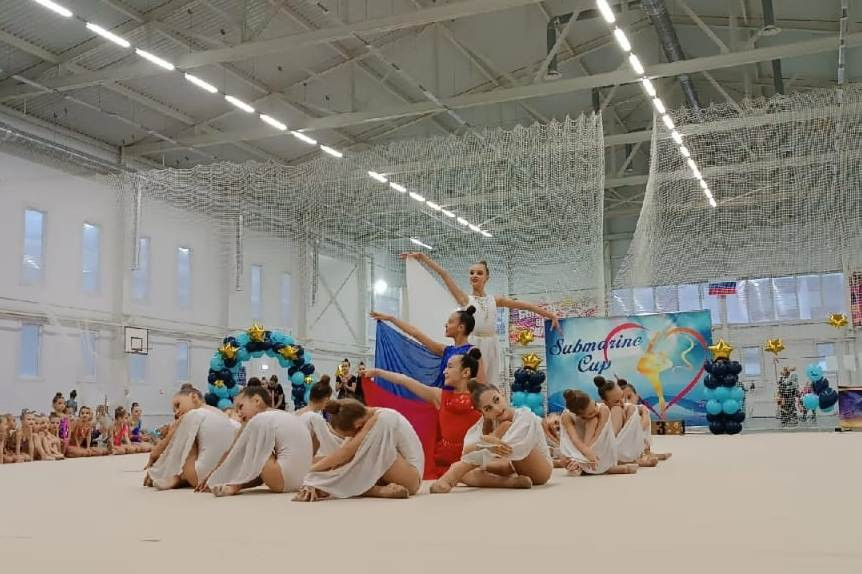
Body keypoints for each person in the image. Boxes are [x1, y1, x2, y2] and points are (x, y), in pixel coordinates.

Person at [401, 253, 561, 386]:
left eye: (479, 273)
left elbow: (524, 305)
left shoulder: (494, 300)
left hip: (492, 344)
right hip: (473, 345)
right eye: (471, 273)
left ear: (487, 277)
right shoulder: (465, 299)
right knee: (473, 383)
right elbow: (445, 275)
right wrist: (422, 258)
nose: (474, 276)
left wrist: (550, 315)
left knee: (491, 383)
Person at [364, 348, 482, 477]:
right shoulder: (439, 396)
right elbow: (405, 380)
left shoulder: (482, 398)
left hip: (472, 460)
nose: (444, 371)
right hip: (444, 463)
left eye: (449, 367)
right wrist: (378, 372)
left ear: (466, 372)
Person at [430, 382, 553, 493]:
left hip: (539, 470)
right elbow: (466, 452)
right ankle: (509, 483)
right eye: (488, 408)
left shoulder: (524, 415)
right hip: (511, 467)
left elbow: (512, 448)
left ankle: (455, 473)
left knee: (505, 428)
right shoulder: (482, 424)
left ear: (502, 395)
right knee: (466, 474)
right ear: (482, 413)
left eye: (496, 400)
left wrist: (492, 440)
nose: (497, 409)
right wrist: (487, 442)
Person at [294, 399, 423, 502]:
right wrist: (314, 478)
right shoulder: (369, 419)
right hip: (391, 473)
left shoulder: (385, 418)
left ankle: (374, 490)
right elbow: (342, 455)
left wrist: (311, 473)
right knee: (343, 467)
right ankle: (374, 489)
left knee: (365, 453)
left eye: (349, 435)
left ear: (358, 425)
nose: (350, 437)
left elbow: (347, 454)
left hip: (411, 479)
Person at [199, 386, 313, 496]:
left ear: (257, 401)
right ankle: (233, 484)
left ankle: (234, 486)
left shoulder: (262, 419)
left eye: (240, 407)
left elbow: (234, 451)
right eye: (236, 410)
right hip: (300, 481)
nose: (238, 413)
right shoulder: (284, 415)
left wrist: (213, 475)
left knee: (254, 441)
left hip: (280, 478)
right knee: (257, 452)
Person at [145, 386, 238, 490]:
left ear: (194, 397)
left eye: (178, 405)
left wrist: (155, 463)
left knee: (185, 427)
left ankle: (176, 476)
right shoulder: (218, 413)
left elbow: (166, 443)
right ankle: (180, 478)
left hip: (197, 477)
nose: (176, 412)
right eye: (174, 411)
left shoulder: (193, 414)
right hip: (226, 476)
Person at [369, 306, 482, 387]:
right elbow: (415, 332)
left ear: (461, 327)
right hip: (443, 399)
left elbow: (480, 383)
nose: (446, 325)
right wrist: (391, 318)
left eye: (450, 322)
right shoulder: (445, 350)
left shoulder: (472, 352)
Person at [559, 389, 637, 476]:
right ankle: (587, 466)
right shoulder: (566, 416)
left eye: (595, 405)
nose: (596, 410)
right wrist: (582, 455)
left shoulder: (603, 409)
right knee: (564, 459)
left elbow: (599, 436)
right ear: (579, 415)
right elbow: (574, 439)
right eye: (590, 413)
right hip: (580, 447)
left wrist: (586, 455)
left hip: (599, 446)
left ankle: (586, 466)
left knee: (593, 421)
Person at [595, 376, 656, 467]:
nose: (622, 402)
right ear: (605, 402)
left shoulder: (630, 407)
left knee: (631, 408)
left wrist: (644, 413)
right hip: (610, 445)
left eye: (622, 397)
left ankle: (634, 455)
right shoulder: (603, 409)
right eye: (616, 401)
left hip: (630, 447)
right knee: (617, 409)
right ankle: (620, 457)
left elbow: (643, 424)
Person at [619, 381, 671, 462]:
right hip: (627, 444)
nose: (627, 402)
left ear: (637, 397)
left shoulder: (641, 408)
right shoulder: (621, 411)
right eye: (623, 399)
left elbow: (645, 424)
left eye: (629, 397)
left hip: (639, 439)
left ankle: (646, 452)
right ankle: (646, 455)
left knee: (643, 414)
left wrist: (637, 433)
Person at [296, 376, 342, 458]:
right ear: (326, 399)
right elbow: (330, 442)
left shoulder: (298, 412)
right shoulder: (314, 418)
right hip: (303, 457)